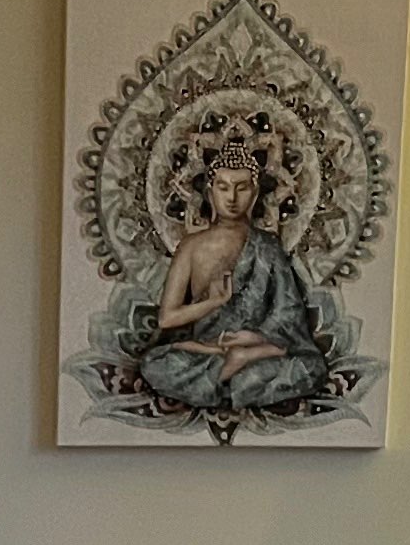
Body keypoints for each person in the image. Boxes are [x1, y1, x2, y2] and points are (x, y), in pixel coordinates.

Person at [139, 149, 329, 414]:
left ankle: (232, 369)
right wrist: (213, 303)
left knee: (310, 368)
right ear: (210, 193)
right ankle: (234, 368)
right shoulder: (191, 246)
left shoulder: (267, 246)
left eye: (241, 188)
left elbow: (288, 311)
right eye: (223, 187)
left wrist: (255, 337)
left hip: (255, 344)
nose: (231, 198)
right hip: (209, 348)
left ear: (255, 194)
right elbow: (167, 318)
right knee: (154, 363)